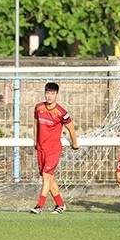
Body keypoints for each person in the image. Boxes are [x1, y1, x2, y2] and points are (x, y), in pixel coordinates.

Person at [30, 82, 79, 214]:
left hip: (53, 149)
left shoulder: (61, 112)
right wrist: (35, 141)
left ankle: (39, 206)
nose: (50, 96)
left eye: (52, 93)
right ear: (44, 93)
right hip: (41, 148)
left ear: (57, 95)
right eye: (48, 93)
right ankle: (60, 204)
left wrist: (74, 143)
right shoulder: (39, 108)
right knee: (49, 178)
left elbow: (71, 129)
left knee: (46, 175)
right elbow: (35, 124)